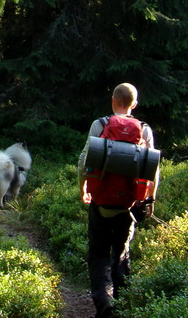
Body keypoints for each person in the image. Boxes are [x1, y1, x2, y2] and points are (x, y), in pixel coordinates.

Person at [77, 83, 158, 318]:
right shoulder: (144, 129)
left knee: (98, 253)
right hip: (128, 205)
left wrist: (83, 188)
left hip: (100, 201)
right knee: (121, 254)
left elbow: (85, 159)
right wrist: (150, 199)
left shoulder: (99, 124)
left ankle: (104, 304)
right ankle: (122, 307)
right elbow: (152, 170)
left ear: (113, 101)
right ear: (134, 104)